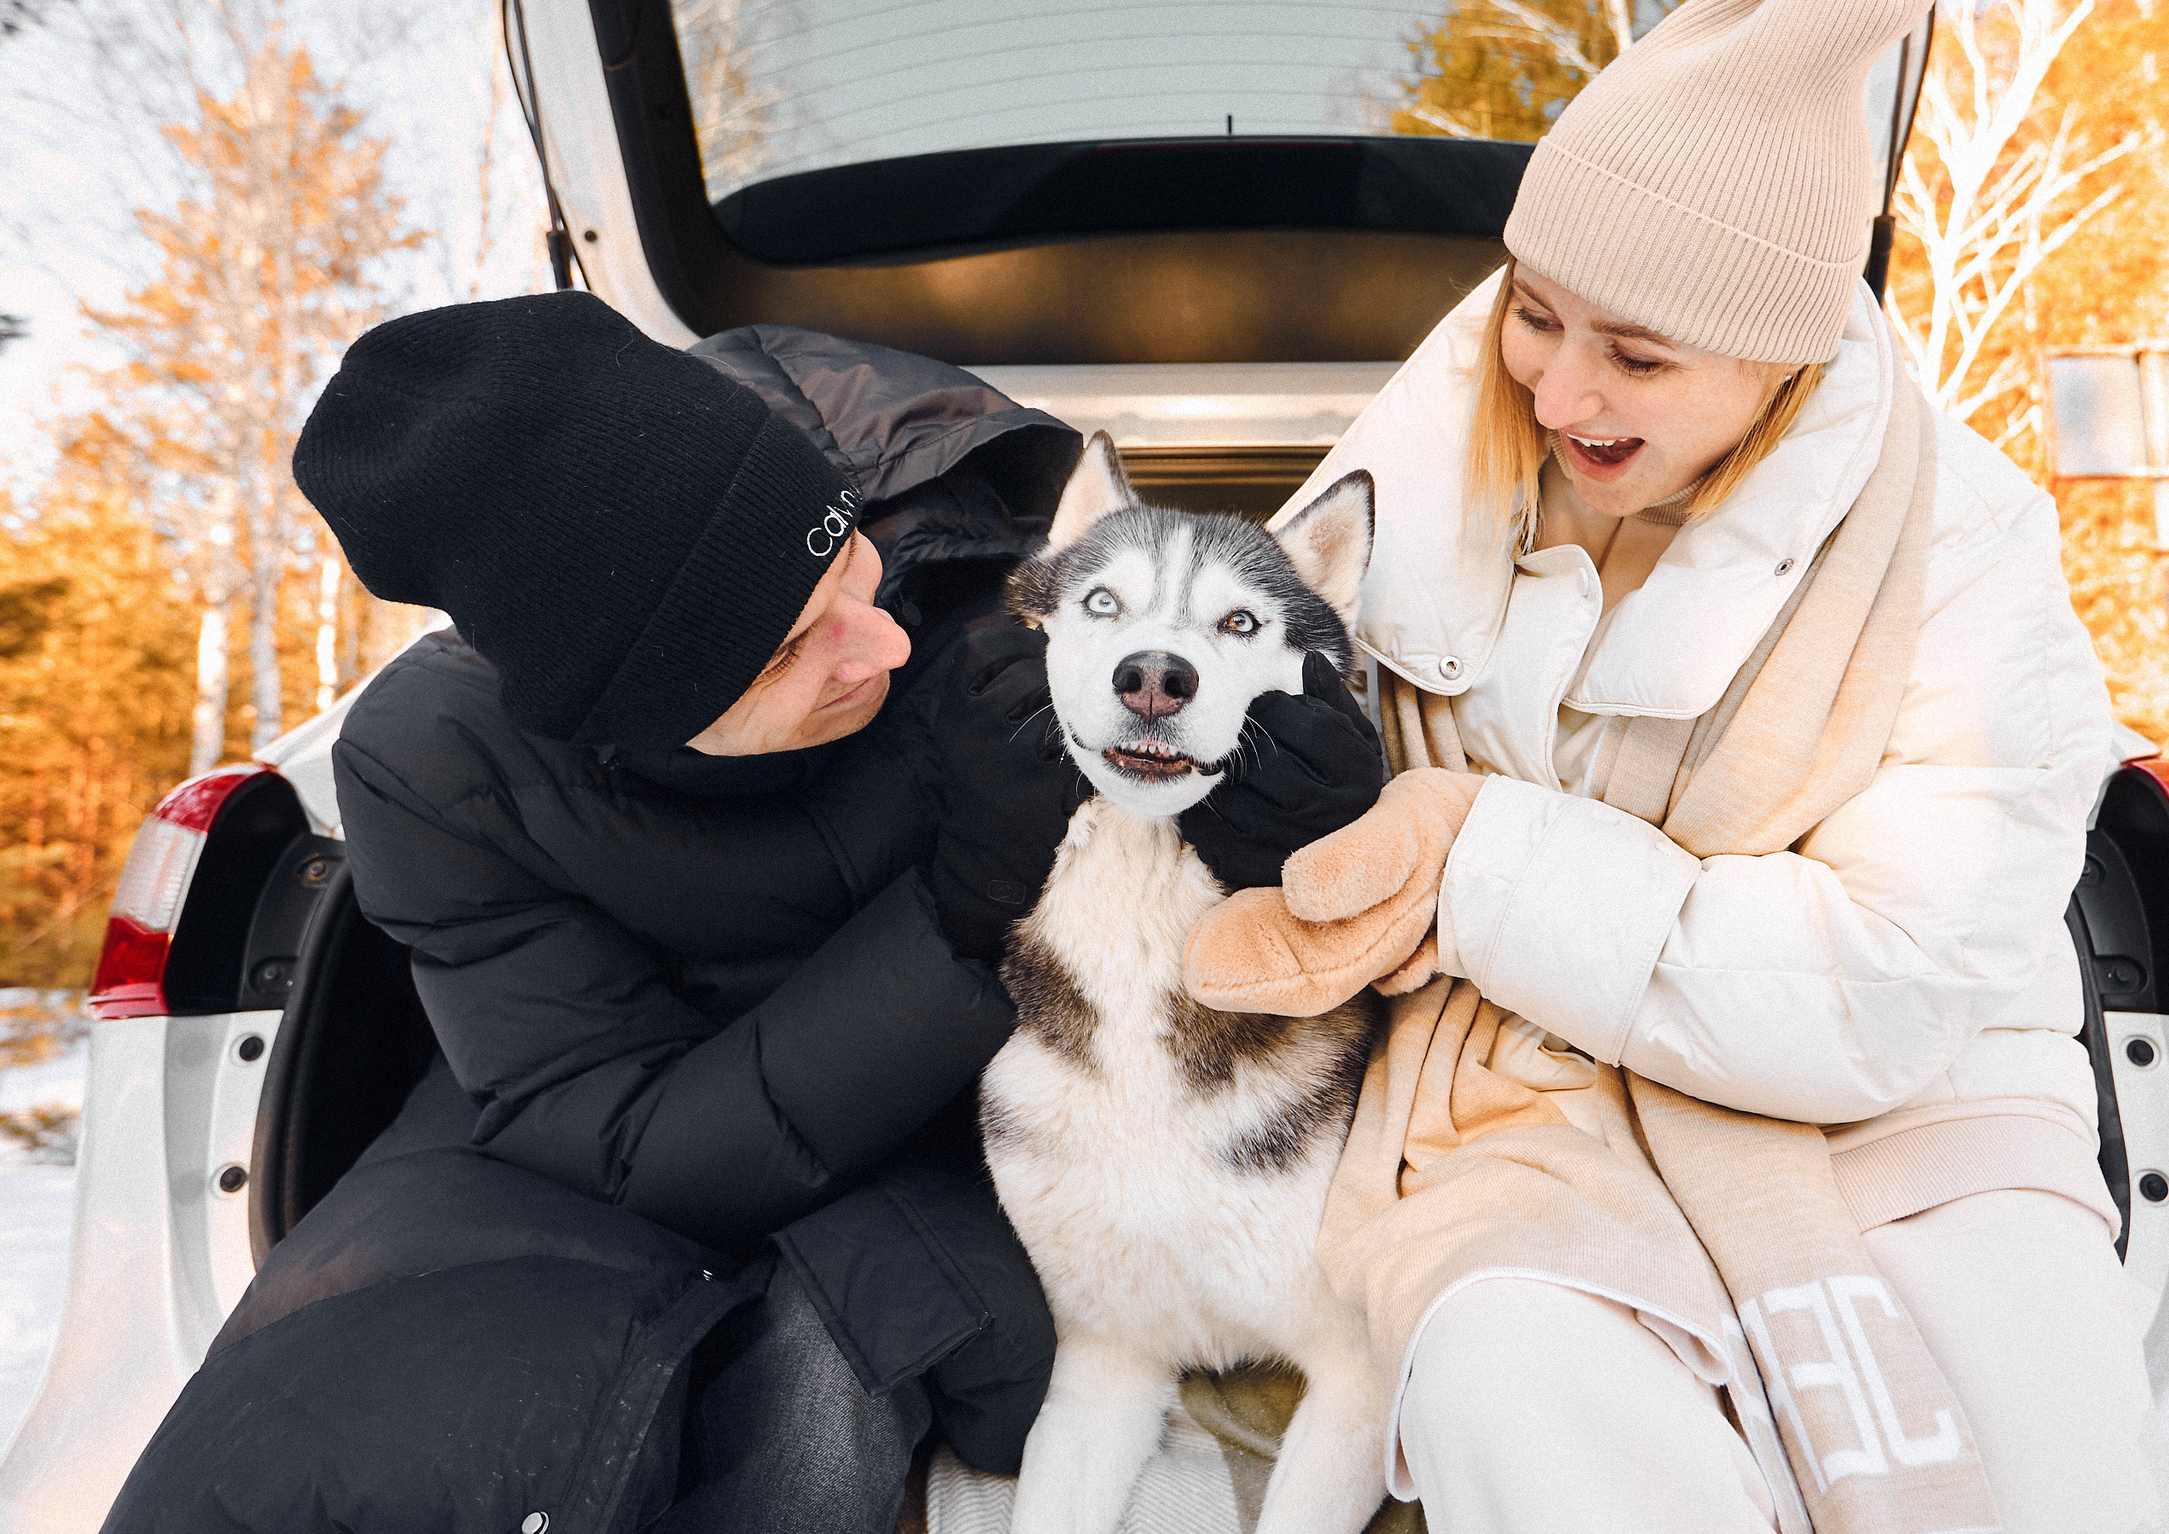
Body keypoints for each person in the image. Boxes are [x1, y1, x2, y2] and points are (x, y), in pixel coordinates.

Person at [1185, 0, 2169, 1534]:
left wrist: (1480, 858)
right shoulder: (1428, 447)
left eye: (1637, 356)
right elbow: (1262, 728)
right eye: (1534, 311)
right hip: (1514, 1098)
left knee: (2033, 1462)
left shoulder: (1967, 547)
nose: (1558, 392)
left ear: (1782, 363)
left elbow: (1889, 978)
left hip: (1892, 1115)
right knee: (1511, 1377)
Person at [99, 292, 1383, 1534]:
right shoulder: (433, 767)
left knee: (854, 1376)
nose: (878, 646)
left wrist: (1290, 833)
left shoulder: (990, 555)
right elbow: (615, 1136)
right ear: (630, 714)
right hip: (640, 1138)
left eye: (847, 562)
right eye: (786, 652)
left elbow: (1219, 741)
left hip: (979, 1111)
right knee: (360, 1450)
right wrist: (957, 911)